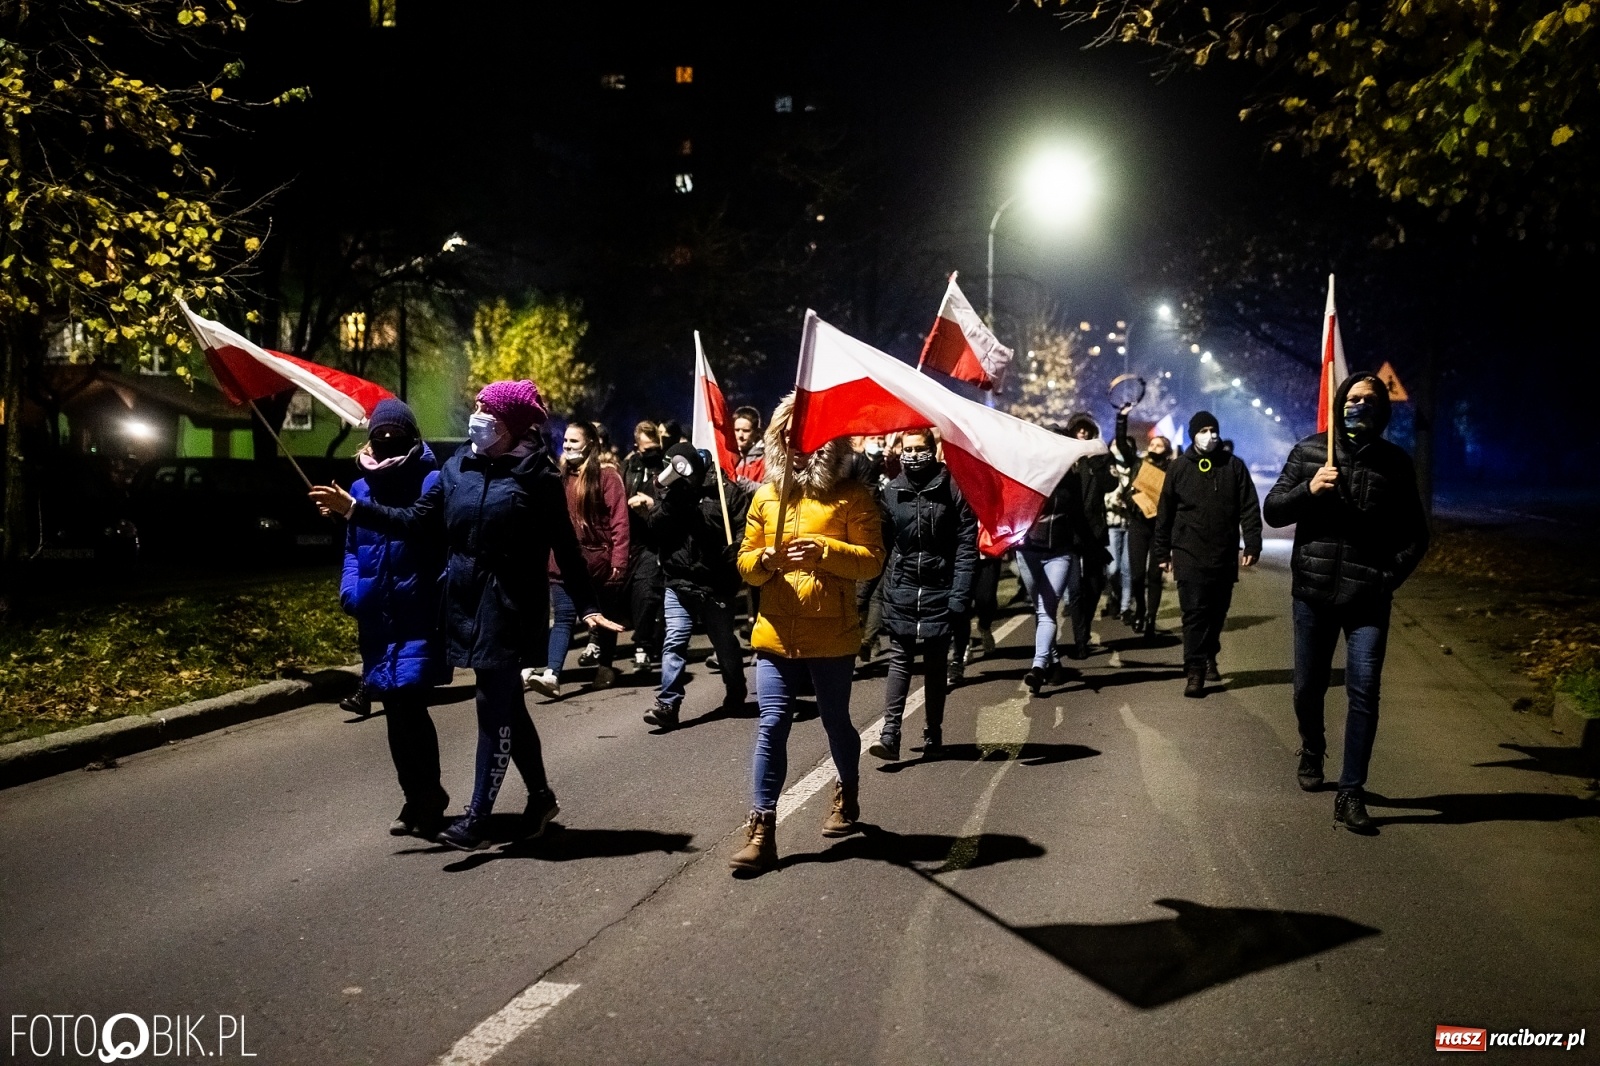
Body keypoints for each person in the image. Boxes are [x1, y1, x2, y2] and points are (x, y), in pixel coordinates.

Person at [310, 380, 624, 852]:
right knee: (508, 707)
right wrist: (356, 510)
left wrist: (589, 606)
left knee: (491, 705)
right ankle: (540, 797)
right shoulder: (460, 466)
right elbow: (417, 521)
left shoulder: (537, 476)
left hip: (511, 607)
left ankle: (476, 818)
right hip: (465, 603)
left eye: (483, 408)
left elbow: (565, 546)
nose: (474, 414)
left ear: (507, 424)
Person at [728, 394, 885, 874]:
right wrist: (765, 563)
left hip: (832, 633)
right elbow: (746, 565)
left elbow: (872, 560)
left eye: (807, 437)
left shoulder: (852, 495)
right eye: (787, 437)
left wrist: (824, 550)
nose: (796, 446)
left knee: (835, 720)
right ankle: (762, 827)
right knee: (771, 724)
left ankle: (847, 789)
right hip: (775, 631)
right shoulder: (766, 495)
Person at [1265, 373, 1429, 832]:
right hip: (1314, 595)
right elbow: (1274, 512)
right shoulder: (1310, 451)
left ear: (1383, 408)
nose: (1360, 406)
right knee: (1307, 687)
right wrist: (1309, 489)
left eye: (1369, 401)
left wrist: (1387, 578)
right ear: (1339, 404)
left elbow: (1416, 536)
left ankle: (1351, 791)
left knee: (1364, 693)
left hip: (1368, 601)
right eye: (1352, 399)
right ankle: (1312, 746)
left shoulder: (1395, 464)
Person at [338, 399, 451, 837]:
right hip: (377, 617)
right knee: (392, 709)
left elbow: (436, 540)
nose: (386, 444)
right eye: (379, 436)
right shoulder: (359, 489)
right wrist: (352, 591)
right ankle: (415, 796)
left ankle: (428, 796)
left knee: (409, 705)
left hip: (418, 614)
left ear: (410, 437)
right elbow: (352, 549)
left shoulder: (430, 482)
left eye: (395, 437)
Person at [868, 428, 976, 760]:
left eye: (920, 449)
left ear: (934, 450)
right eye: (908, 449)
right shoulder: (892, 492)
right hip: (901, 589)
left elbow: (966, 546)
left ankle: (933, 731)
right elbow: (881, 546)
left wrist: (959, 596)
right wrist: (866, 596)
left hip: (940, 591)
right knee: (899, 661)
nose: (914, 455)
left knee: (934, 666)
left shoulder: (953, 488)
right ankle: (890, 734)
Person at [1153, 410, 1263, 698]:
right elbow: (1164, 512)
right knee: (1194, 612)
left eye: (1213, 430)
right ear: (1193, 434)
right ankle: (1195, 669)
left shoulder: (1233, 466)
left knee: (1217, 611)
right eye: (1203, 430)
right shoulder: (1178, 469)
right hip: (1188, 551)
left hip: (1224, 552)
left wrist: (1252, 543)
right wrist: (1162, 550)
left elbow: (1249, 506)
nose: (1210, 435)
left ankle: (1209, 652)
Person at [641, 443, 751, 729]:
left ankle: (736, 688)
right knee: (674, 641)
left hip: (716, 584)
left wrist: (737, 549)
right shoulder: (671, 492)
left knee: (724, 644)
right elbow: (654, 527)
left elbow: (743, 529)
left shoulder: (727, 494)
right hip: (678, 581)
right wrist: (673, 503)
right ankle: (668, 703)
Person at [524, 420, 629, 699]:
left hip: (598, 564)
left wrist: (618, 560)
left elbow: (620, 522)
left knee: (602, 617)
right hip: (561, 562)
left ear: (591, 445)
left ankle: (605, 667)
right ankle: (552, 675)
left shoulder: (608, 477)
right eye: (566, 441)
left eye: (574, 441)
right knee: (563, 618)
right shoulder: (558, 477)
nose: (568, 446)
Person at [1063, 413, 1118, 660]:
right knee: (1075, 589)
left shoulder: (1100, 457)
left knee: (1095, 585)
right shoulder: (1063, 456)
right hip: (1071, 532)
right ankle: (1080, 639)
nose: (1082, 433)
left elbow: (1110, 485)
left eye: (1086, 429)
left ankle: (1083, 628)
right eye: (1078, 429)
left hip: (1095, 532)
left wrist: (1096, 461)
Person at [622, 421, 667, 673]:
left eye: (655, 448)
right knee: (639, 594)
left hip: (658, 539)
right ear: (637, 446)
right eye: (646, 448)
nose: (651, 453)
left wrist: (652, 504)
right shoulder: (628, 468)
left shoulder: (666, 467)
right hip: (635, 540)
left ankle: (645, 644)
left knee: (650, 593)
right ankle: (643, 640)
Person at [1125, 432, 1173, 638]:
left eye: (1159, 445)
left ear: (1167, 450)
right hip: (1138, 525)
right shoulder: (1139, 466)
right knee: (1137, 575)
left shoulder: (1172, 470)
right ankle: (1140, 610)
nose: (1154, 447)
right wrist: (1135, 498)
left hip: (1159, 529)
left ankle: (1151, 618)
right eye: (1152, 444)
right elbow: (1128, 492)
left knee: (1155, 575)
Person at [732, 405, 766, 485]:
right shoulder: (728, 457)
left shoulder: (765, 460)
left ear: (756, 432)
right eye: (737, 430)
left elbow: (766, 490)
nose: (740, 435)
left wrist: (738, 480)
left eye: (746, 431)